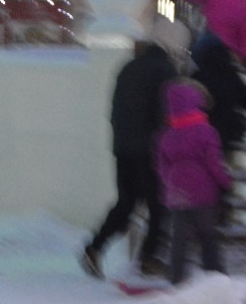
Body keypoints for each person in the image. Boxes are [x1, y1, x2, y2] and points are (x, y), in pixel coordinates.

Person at [81, 17, 191, 280]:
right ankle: (149, 259)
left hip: (123, 146)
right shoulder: (166, 71)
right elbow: (166, 116)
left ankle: (94, 248)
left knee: (127, 202)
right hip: (150, 151)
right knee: (159, 205)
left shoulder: (128, 66)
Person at [156, 80, 232, 284]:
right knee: (207, 235)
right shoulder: (206, 132)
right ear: (196, 103)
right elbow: (214, 163)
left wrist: (171, 181)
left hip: (177, 193)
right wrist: (226, 182)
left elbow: (162, 165)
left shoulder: (166, 136)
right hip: (203, 193)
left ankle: (177, 277)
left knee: (179, 238)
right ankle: (215, 275)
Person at [191, 32, 246, 164]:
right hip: (230, 133)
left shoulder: (197, 77)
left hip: (204, 133)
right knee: (227, 165)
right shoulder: (233, 76)